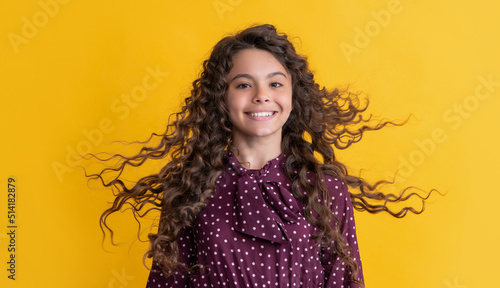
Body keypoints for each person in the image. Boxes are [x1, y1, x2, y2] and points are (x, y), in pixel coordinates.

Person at [90, 23, 436, 288]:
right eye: (243, 84)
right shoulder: (191, 190)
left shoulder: (327, 191)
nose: (261, 96)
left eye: (275, 83)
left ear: (292, 94)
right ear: (221, 99)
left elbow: (345, 281)